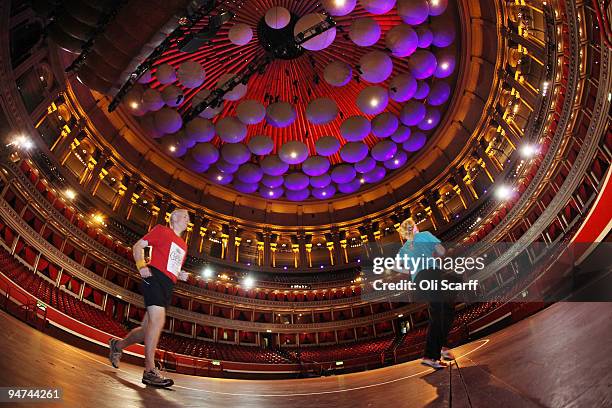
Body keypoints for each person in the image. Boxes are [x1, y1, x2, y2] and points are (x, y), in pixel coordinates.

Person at [108, 208, 190, 387]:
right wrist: (141, 266)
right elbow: (138, 246)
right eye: (185, 216)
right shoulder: (162, 230)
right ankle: (149, 371)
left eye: (188, 218)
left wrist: (180, 273)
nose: (187, 220)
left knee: (147, 329)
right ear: (174, 217)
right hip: (154, 277)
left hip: (169, 285)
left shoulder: (184, 246)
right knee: (158, 321)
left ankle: (117, 346)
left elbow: (172, 266)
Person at [397, 218, 456, 370]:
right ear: (415, 227)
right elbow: (441, 250)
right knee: (441, 311)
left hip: (418, 280)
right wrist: (434, 255)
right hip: (431, 273)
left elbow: (397, 266)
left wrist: (411, 270)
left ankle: (442, 347)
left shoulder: (404, 247)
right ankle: (431, 355)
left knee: (444, 309)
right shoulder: (424, 235)